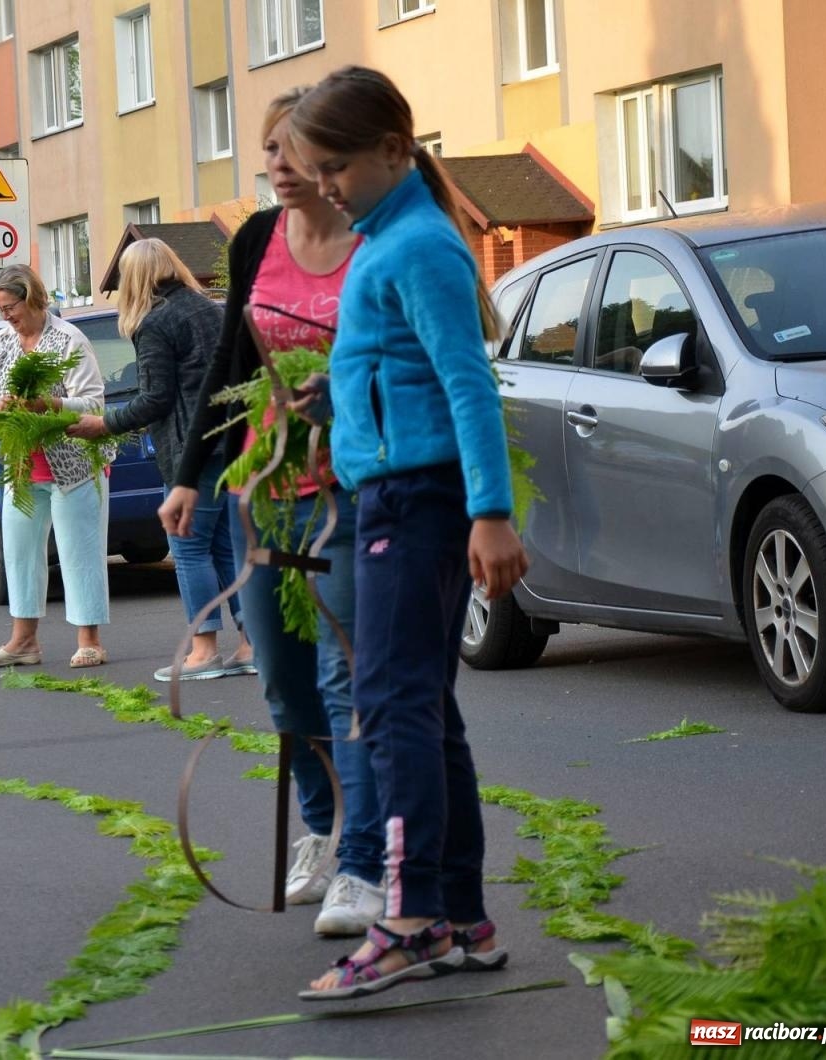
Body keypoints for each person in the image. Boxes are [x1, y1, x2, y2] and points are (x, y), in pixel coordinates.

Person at [286, 66, 529, 999]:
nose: (326, 186)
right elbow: (405, 374)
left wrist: (491, 511)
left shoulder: (417, 246)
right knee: (428, 713)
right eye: (316, 170)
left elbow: (466, 383)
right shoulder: (390, 239)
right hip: (400, 494)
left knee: (389, 707)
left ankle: (413, 919)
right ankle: (458, 916)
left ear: (395, 150)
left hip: (415, 505)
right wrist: (334, 395)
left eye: (336, 166)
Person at [157, 87, 385, 937]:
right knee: (284, 683)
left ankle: (364, 861)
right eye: (267, 152)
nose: (277, 169)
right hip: (266, 494)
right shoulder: (257, 238)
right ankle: (322, 830)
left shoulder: (373, 240)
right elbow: (227, 362)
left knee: (343, 677)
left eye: (291, 152)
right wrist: (190, 475)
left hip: (353, 490)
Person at [67, 239, 253, 683]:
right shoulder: (213, 308)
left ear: (135, 279)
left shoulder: (156, 322)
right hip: (234, 445)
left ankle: (204, 650)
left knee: (187, 548)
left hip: (190, 451)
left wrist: (105, 424)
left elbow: (155, 399)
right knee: (226, 547)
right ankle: (251, 644)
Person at [0, 264, 112, 670]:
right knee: (19, 552)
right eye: (0, 309)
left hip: (74, 465)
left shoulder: (69, 340)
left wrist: (48, 405)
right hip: (21, 464)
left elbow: (93, 403)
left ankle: (90, 640)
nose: (6, 316)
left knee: (79, 552)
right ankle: (24, 641)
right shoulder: (1, 342)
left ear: (32, 298)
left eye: (10, 307)